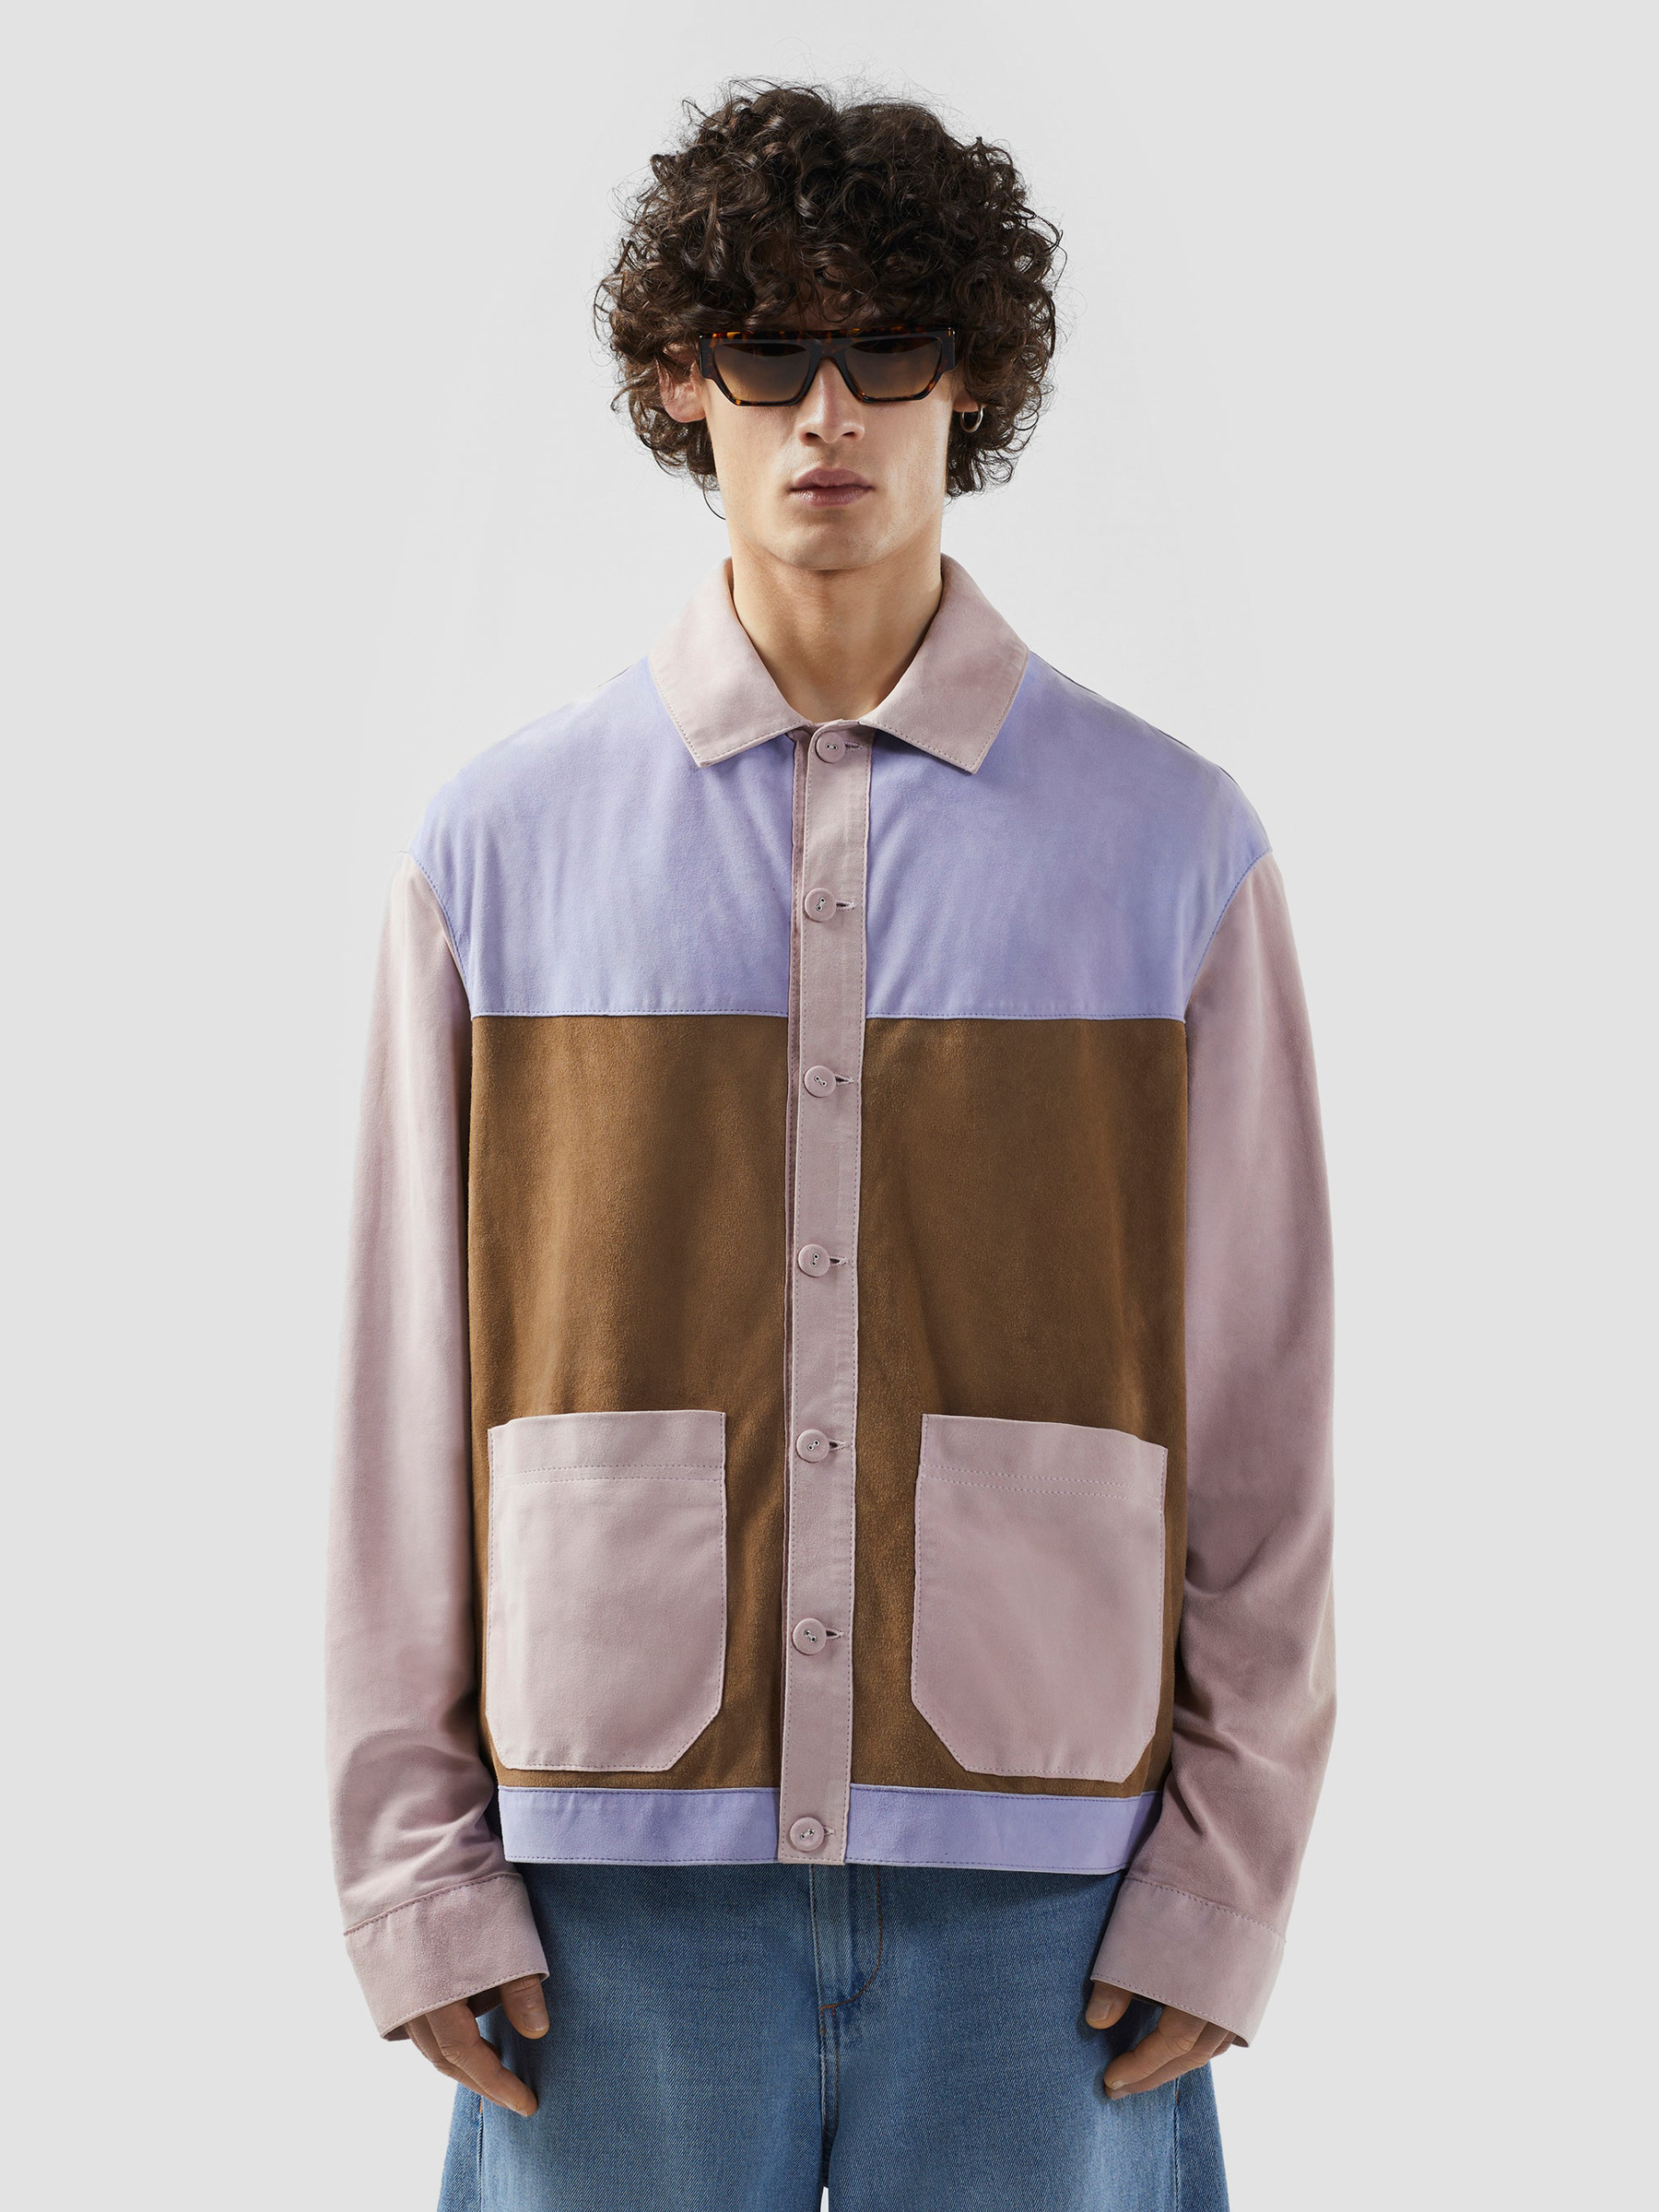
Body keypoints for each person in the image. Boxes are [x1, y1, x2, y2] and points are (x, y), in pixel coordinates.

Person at [325, 77, 1336, 2212]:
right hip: (606, 1890)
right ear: (680, 381)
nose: (827, 415)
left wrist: (1228, 1875)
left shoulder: (1170, 850)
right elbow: (405, 1397)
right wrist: (415, 1865)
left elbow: (1263, 1409)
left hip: (1047, 1897)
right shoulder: (500, 852)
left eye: (887, 350)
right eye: (769, 351)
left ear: (973, 380)